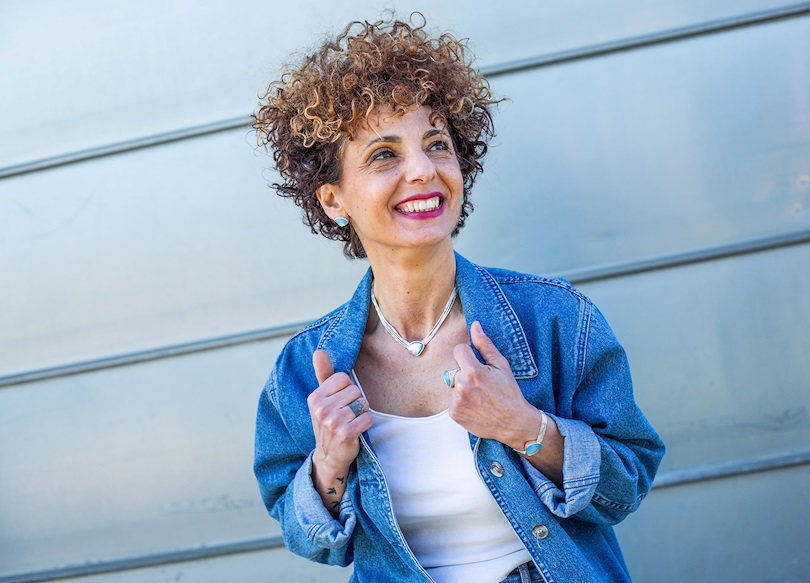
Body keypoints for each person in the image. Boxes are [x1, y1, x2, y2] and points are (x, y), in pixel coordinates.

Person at [252, 15, 664, 583]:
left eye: (437, 145)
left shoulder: (554, 320)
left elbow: (628, 484)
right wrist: (329, 462)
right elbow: (309, 539)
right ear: (333, 200)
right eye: (383, 154)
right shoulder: (304, 370)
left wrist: (526, 428)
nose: (422, 170)